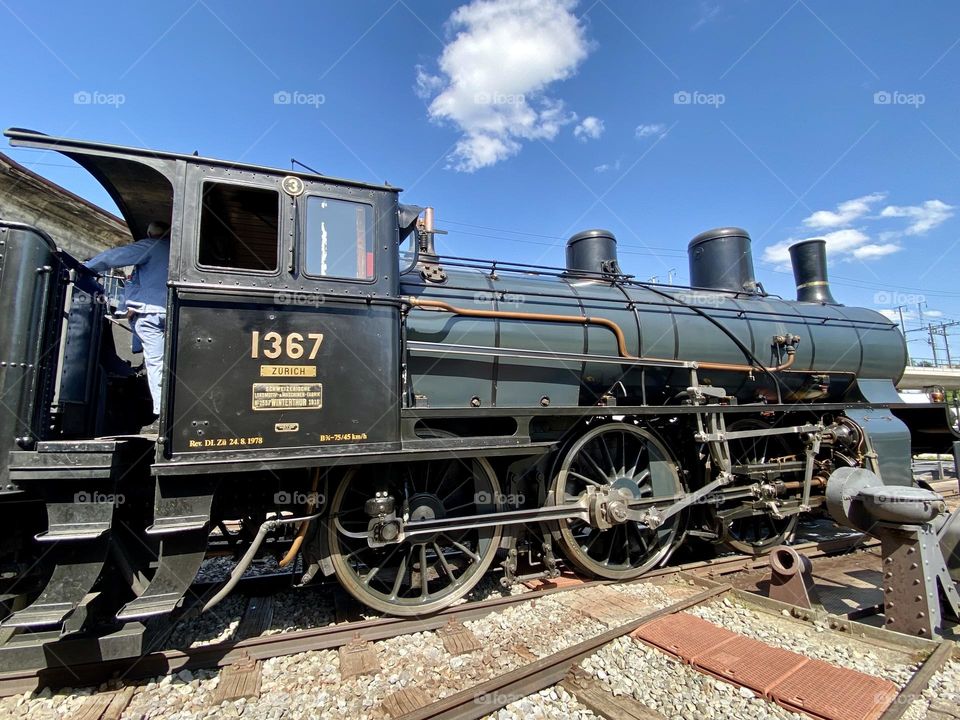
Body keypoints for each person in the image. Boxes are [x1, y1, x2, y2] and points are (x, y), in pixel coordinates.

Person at [85, 221, 171, 434]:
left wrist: (85, 269)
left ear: (150, 233)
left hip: (150, 313)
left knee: (156, 363)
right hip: (173, 312)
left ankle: (163, 415)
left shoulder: (151, 246)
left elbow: (114, 257)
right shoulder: (174, 250)